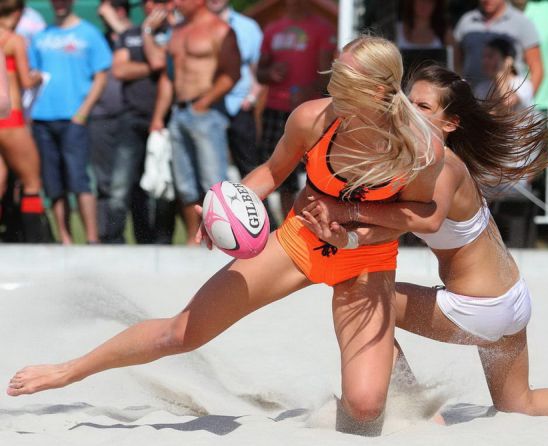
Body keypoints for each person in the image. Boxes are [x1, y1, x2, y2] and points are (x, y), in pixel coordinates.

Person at [7, 36, 444, 437]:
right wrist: (224, 207)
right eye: (335, 78)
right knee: (181, 332)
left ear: (380, 91)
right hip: (299, 242)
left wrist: (348, 220)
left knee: (365, 406)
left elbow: (421, 217)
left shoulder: (419, 146)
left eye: (344, 85)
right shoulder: (313, 119)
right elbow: (272, 173)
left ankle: (386, 370)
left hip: (365, 256)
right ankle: (69, 370)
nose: (332, 91)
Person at [298, 64, 548, 421]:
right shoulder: (432, 161)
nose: (409, 110)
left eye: (423, 105)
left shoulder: (442, 166)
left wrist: (346, 214)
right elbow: (395, 222)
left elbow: (419, 221)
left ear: (450, 123)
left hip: (477, 308)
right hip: (513, 300)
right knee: (520, 403)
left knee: (364, 292)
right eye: (407, 100)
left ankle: (413, 405)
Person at [150, 0, 240, 245]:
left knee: (214, 182)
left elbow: (232, 73)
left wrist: (204, 102)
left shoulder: (220, 30)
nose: (176, 2)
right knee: (185, 182)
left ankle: (223, 238)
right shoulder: (177, 32)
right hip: (178, 113)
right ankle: (194, 237)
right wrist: (159, 116)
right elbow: (169, 78)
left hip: (206, 112)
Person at [29, 0, 112, 245]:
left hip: (74, 117)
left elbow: (101, 76)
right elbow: (33, 72)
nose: (59, 5)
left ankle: (91, 238)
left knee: (79, 178)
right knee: (53, 182)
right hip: (43, 117)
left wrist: (82, 112)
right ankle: (64, 238)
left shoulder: (88, 33)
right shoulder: (41, 35)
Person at [256, 0, 336, 224]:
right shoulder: (272, 30)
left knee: (316, 171)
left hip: (312, 113)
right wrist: (270, 72)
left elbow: (327, 73)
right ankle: (286, 225)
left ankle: (312, 223)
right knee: (279, 171)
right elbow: (260, 72)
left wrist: (308, 90)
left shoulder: (323, 29)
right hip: (276, 108)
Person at [106, 0, 176, 244]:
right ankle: (112, 241)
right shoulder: (128, 35)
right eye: (150, 2)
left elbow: (159, 61)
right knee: (121, 184)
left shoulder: (175, 34)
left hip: (165, 121)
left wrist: (148, 35)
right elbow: (120, 70)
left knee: (163, 186)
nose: (155, 7)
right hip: (131, 117)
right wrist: (154, 65)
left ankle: (160, 241)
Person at [474, 36, 537, 248]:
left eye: (492, 56)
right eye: (485, 56)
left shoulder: (523, 85)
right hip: (490, 166)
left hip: (514, 167)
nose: (486, 61)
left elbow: (505, 106)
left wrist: (502, 74)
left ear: (507, 60)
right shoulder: (482, 89)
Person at [0, 0, 52, 243]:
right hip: (10, 119)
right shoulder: (13, 40)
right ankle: (35, 243)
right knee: (32, 181)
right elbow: (25, 81)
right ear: (19, 12)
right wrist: (39, 77)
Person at [206, 0, 263, 182]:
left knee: (250, 168)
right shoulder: (196, 26)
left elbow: (258, 69)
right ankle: (213, 209)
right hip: (208, 107)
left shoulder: (248, 27)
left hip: (240, 105)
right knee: (211, 169)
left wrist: (252, 97)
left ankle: (258, 209)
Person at [91, 0, 132, 243]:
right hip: (101, 118)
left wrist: (113, 19)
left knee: (131, 184)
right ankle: (109, 237)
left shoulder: (134, 34)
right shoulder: (99, 38)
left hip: (131, 118)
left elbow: (132, 41)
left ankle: (144, 237)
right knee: (105, 183)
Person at [453, 0, 542, 95]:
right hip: (472, 98)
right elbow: (456, 62)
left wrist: (522, 98)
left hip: (510, 99)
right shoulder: (466, 21)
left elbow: (537, 68)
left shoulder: (522, 22)